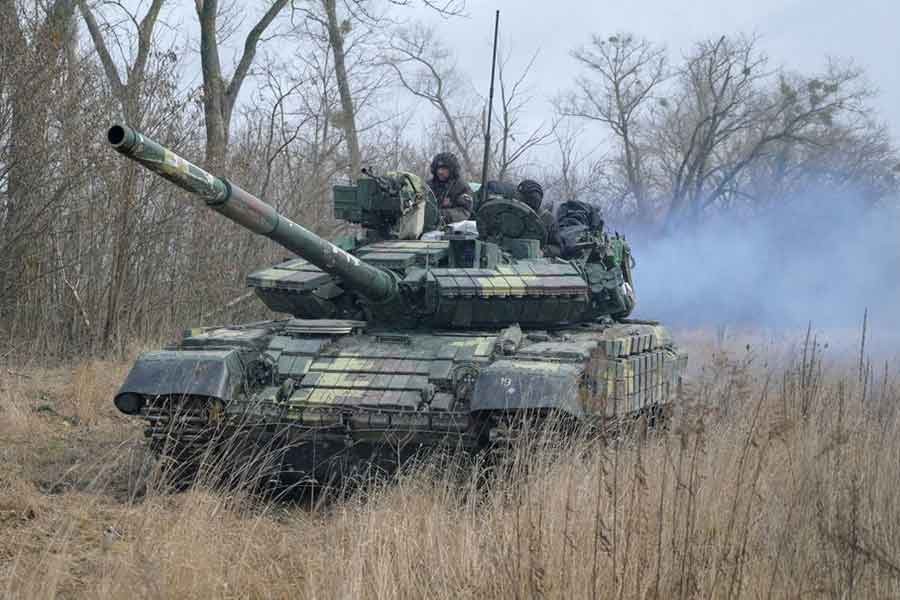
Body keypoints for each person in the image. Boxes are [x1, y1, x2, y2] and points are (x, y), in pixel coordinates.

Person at [516, 179, 560, 255]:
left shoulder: (547, 219)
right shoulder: (511, 212)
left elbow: (557, 248)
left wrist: (543, 252)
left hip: (534, 260)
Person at [427, 152, 473, 223]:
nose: (440, 172)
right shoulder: (429, 185)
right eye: (438, 168)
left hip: (450, 228)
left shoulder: (461, 187)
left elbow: (464, 212)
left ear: (452, 169)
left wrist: (441, 215)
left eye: (444, 168)